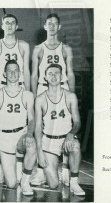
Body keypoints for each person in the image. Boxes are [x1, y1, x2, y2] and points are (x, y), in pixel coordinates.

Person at [31, 13, 75, 185]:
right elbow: (34, 75)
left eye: (55, 24)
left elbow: (70, 73)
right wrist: (35, 96)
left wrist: (71, 94)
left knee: (64, 125)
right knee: (43, 128)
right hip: (44, 87)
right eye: (49, 23)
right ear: (44, 26)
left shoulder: (66, 49)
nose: (51, 26)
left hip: (62, 88)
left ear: (59, 27)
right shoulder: (38, 49)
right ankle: (41, 171)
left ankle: (65, 168)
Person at [35, 63, 85, 195]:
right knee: (53, 185)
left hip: (65, 139)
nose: (53, 76)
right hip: (49, 141)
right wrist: (39, 152)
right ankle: (50, 170)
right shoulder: (40, 99)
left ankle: (74, 182)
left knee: (75, 146)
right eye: (50, 73)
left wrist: (71, 134)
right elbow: (38, 128)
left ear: (62, 76)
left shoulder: (70, 96)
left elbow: (78, 122)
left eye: (56, 73)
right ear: (45, 77)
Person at [0, 60, 36, 196]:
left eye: (16, 70)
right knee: (11, 184)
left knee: (31, 144)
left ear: (20, 73)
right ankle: (5, 165)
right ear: (4, 74)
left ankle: (25, 180)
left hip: (21, 134)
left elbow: (32, 119)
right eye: (10, 71)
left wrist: (29, 133)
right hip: (4, 138)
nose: (13, 73)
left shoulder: (27, 95)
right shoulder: (1, 94)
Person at [0, 14, 30, 90]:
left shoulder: (24, 46)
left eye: (13, 23)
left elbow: (26, 72)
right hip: (2, 86)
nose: (10, 25)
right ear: (2, 26)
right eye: (7, 23)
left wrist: (28, 92)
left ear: (16, 27)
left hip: (20, 86)